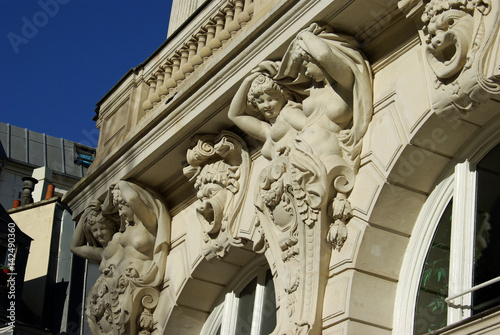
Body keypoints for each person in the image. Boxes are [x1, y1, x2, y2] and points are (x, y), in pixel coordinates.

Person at [277, 23, 373, 172]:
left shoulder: (344, 83)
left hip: (329, 159)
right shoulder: (315, 90)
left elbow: (324, 55)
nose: (307, 73)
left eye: (306, 65)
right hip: (300, 154)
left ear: (316, 61)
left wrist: (303, 36)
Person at [228, 63, 307, 160]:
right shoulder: (267, 130)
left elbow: (310, 129)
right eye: (260, 102)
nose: (267, 105)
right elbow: (234, 115)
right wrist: (247, 81)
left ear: (285, 96)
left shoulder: (288, 112)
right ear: (255, 105)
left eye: (272, 99)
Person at [70, 200, 121, 268]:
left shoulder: (121, 241)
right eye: (95, 230)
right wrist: (84, 215)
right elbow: (74, 247)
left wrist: (103, 207)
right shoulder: (101, 253)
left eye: (103, 228)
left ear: (112, 228)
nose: (99, 233)